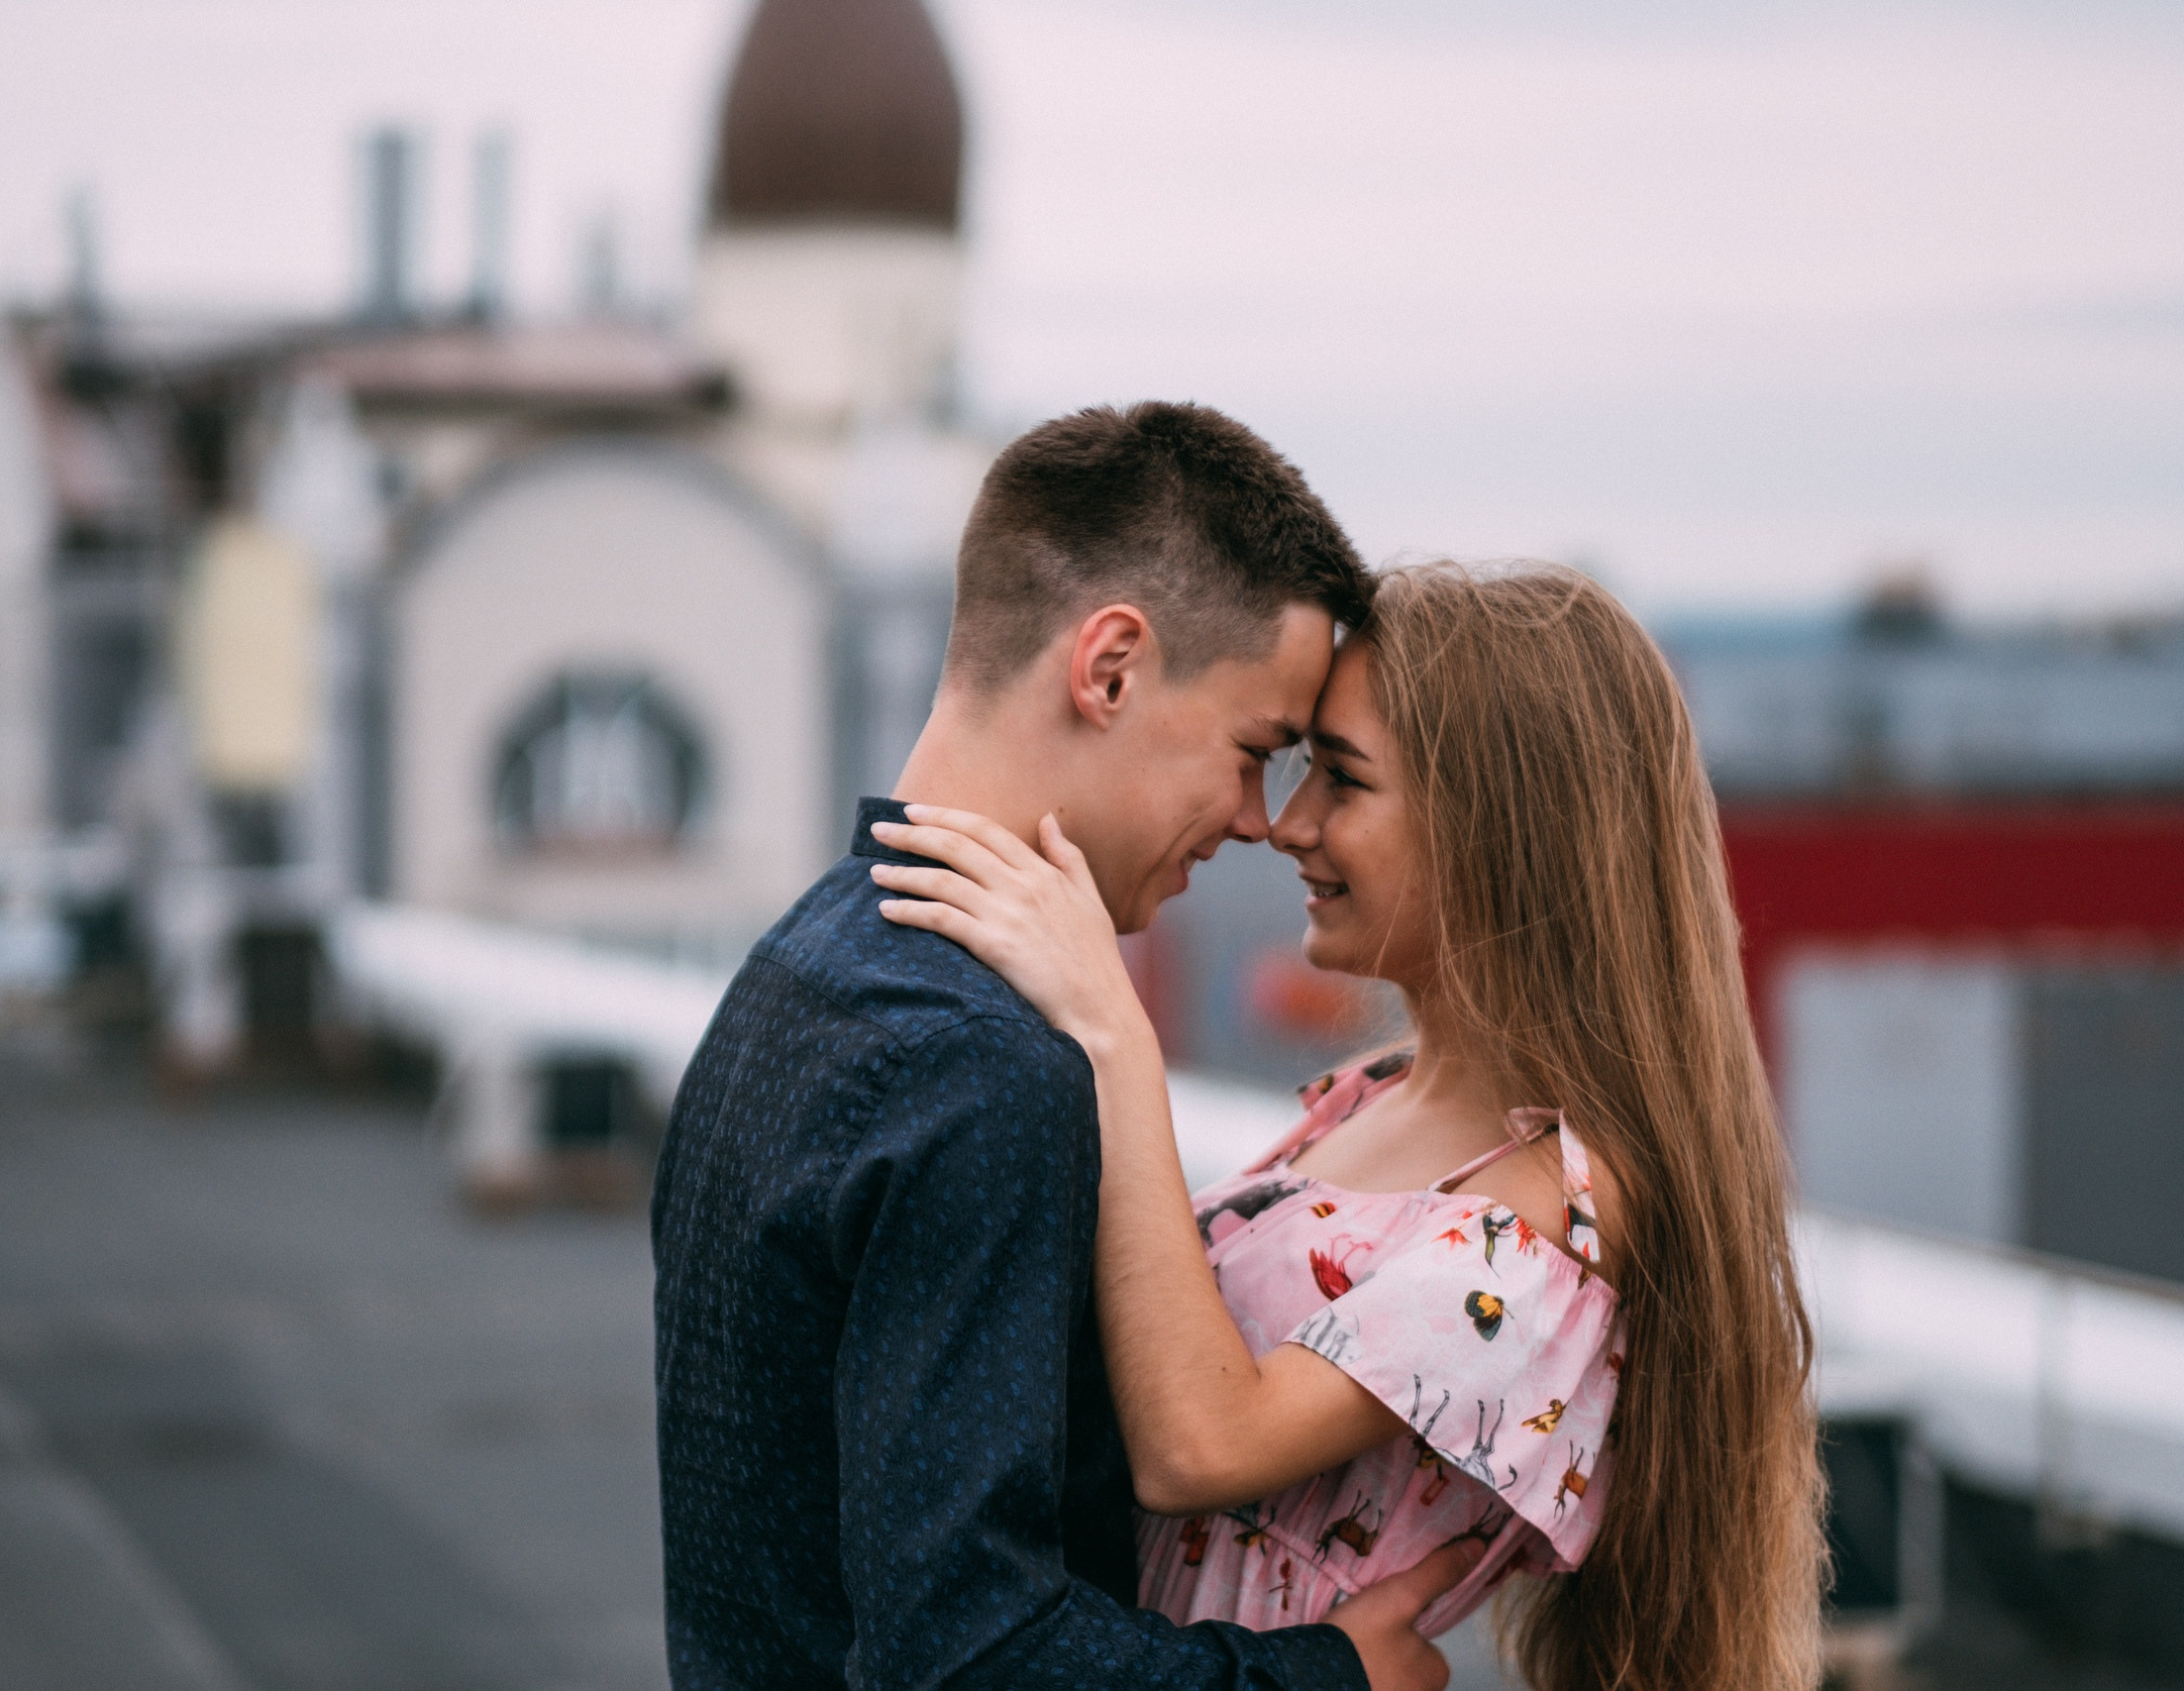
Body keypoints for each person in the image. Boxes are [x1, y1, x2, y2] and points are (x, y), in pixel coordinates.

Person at [871, 561, 1827, 1691]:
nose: (1288, 824)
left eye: (1342, 778)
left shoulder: (1553, 1218)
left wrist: (1111, 1033)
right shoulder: (1375, 1089)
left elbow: (1198, 1447)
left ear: (1496, 832)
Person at [652, 403, 1478, 1691]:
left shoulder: (797, 969)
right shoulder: (983, 1068)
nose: (1259, 821)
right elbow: (968, 1651)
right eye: (1255, 750)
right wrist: (1324, 1675)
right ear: (1109, 668)